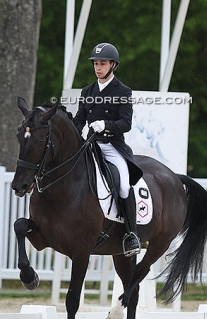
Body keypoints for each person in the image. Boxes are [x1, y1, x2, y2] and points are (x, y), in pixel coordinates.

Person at [73, 42, 143, 257]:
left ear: (113, 65)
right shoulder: (87, 91)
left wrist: (106, 124)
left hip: (113, 146)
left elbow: (126, 123)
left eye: (102, 63)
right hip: (91, 146)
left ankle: (131, 235)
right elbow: (79, 120)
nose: (98, 67)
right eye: (95, 63)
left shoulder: (123, 91)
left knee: (123, 185)